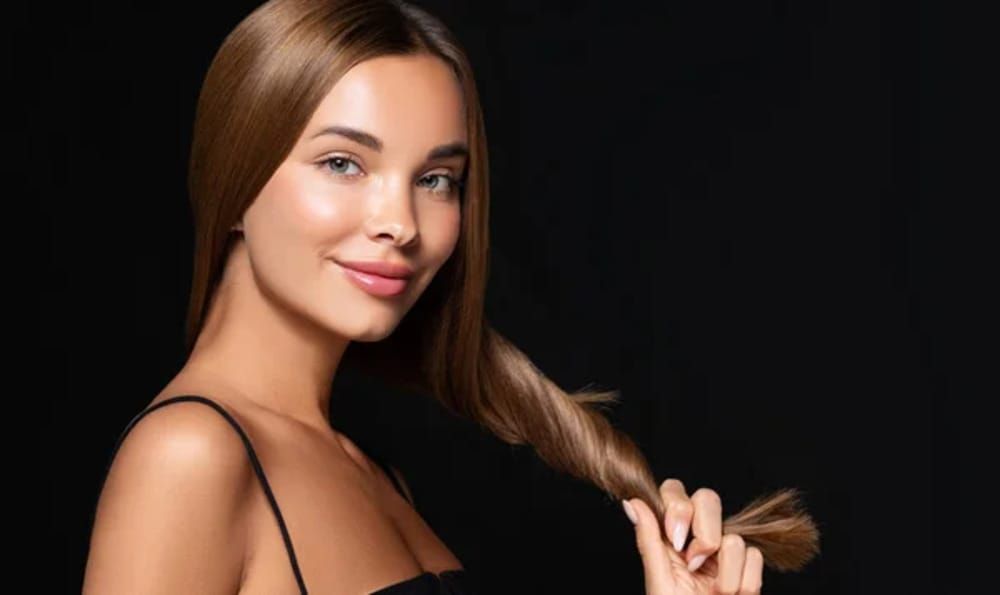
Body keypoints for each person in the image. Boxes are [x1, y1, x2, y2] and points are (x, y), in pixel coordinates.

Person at [82, 1, 819, 593]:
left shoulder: (373, 472)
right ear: (234, 184)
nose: (400, 223)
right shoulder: (189, 457)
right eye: (344, 163)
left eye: (437, 179)